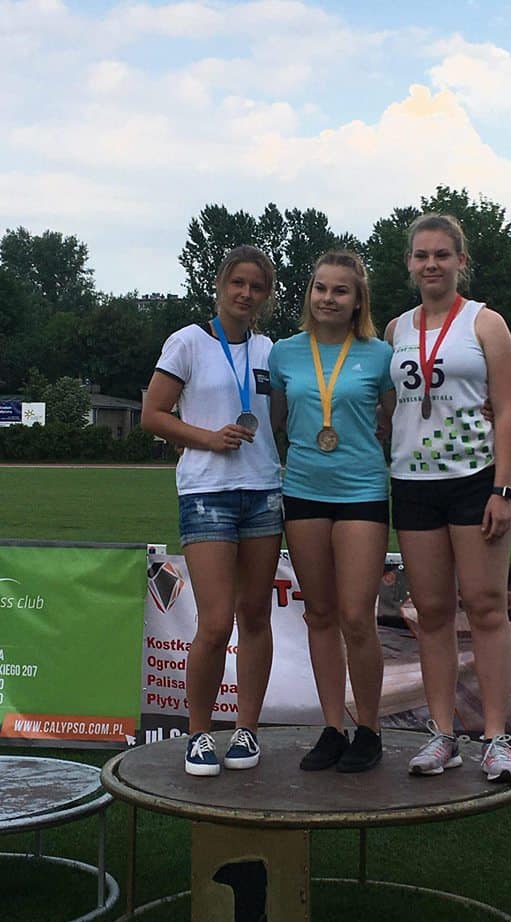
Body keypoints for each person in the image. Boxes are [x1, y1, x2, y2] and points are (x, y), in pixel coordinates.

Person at [384, 213, 511, 782]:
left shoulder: (485, 323)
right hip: (413, 485)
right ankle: (442, 734)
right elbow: (386, 406)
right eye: (421, 255)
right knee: (434, 612)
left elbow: (507, 410)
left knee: (486, 607)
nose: (431, 264)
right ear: (409, 263)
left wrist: (502, 489)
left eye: (442, 254)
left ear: (461, 261)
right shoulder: (395, 329)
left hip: (475, 479)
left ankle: (496, 738)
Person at [141, 246, 282, 776]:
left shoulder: (270, 350)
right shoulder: (188, 342)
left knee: (256, 616)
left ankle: (247, 729)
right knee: (217, 621)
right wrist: (206, 438)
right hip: (207, 493)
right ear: (220, 285)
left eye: (257, 287)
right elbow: (153, 414)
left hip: (263, 491)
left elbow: (282, 417)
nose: (245, 294)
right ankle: (198, 733)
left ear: (266, 296)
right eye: (237, 283)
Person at [269, 251, 395, 773]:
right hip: (302, 491)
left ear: (357, 299)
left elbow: (400, 421)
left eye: (340, 290)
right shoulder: (283, 353)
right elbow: (275, 420)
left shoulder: (380, 355)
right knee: (319, 614)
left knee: (356, 616)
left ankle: (369, 729)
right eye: (320, 288)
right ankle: (332, 728)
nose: (328, 298)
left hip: (361, 491)